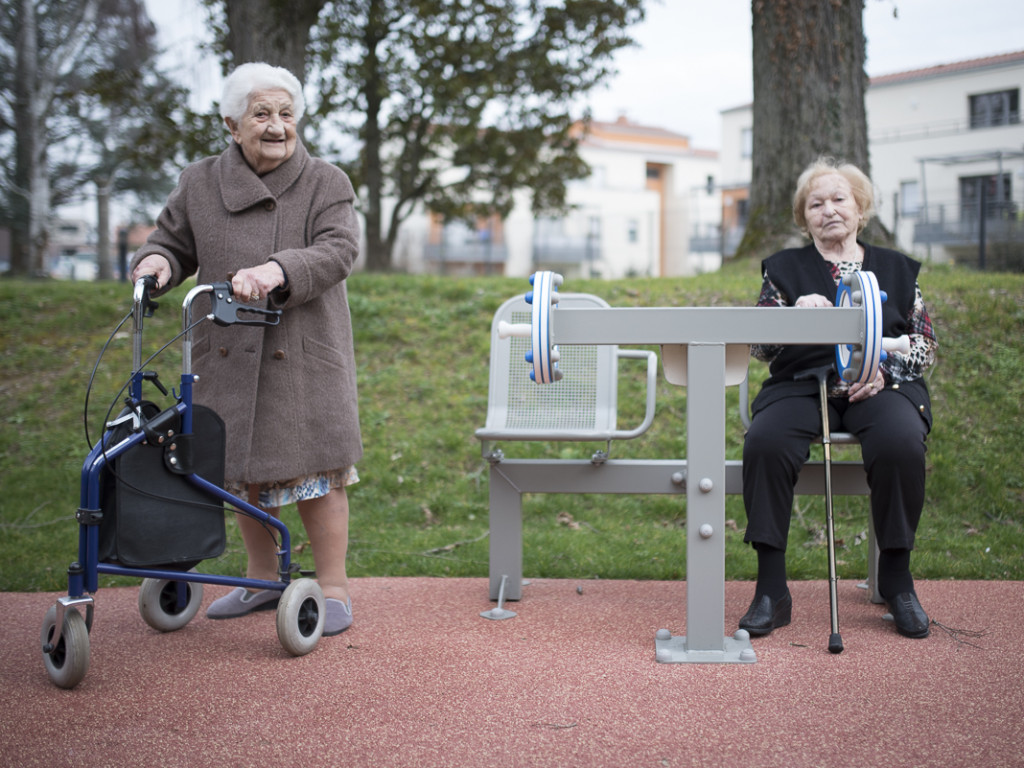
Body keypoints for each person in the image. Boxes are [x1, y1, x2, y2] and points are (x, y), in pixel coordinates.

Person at [130, 62, 362, 636]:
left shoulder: (326, 182)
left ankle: (332, 587)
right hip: (230, 351)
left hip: (304, 352)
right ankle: (263, 580)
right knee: (247, 474)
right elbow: (173, 241)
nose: (277, 126)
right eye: (262, 114)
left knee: (319, 475)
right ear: (233, 124)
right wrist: (158, 262)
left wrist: (276, 268)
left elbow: (339, 250)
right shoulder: (200, 181)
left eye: (286, 113)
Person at [740, 157, 937, 640]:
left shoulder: (897, 268)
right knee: (766, 442)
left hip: (880, 383)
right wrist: (793, 317)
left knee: (899, 442)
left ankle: (896, 579)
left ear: (861, 208)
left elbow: (925, 345)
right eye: (816, 203)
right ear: (803, 217)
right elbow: (760, 348)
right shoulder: (785, 269)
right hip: (802, 383)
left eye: (839, 199)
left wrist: (883, 370)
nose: (828, 210)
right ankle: (771, 590)